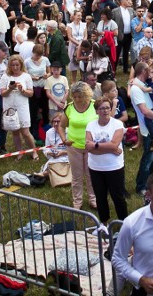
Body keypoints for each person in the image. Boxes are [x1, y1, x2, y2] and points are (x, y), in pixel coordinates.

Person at [58, 81, 98, 210]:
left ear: (86, 95)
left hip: (91, 147)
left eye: (79, 96)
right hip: (74, 146)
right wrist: (64, 140)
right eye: (74, 96)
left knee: (91, 174)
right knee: (76, 176)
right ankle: (77, 202)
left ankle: (93, 199)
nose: (77, 99)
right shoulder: (69, 107)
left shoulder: (94, 105)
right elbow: (61, 126)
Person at [130, 62, 153, 194]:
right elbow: (145, 111)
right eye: (149, 70)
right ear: (144, 71)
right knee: (148, 158)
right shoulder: (136, 89)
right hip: (150, 129)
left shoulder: (145, 83)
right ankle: (141, 186)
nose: (152, 73)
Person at [0, 54, 37, 159]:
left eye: (17, 65)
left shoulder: (26, 76)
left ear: (21, 65)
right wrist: (10, 88)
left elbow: (31, 93)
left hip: (22, 106)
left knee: (25, 132)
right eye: (13, 65)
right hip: (10, 106)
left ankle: (33, 151)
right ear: (9, 66)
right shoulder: (5, 76)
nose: (15, 67)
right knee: (15, 131)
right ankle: (19, 152)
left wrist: (22, 90)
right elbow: (2, 93)